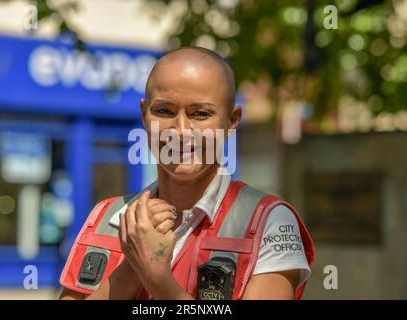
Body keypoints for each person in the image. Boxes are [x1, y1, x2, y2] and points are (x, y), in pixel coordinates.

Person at [59, 46, 314, 300]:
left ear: (232, 120)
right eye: (164, 111)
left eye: (201, 114)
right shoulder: (108, 217)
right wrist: (131, 267)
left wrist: (156, 276)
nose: (180, 131)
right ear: (144, 114)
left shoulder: (269, 222)